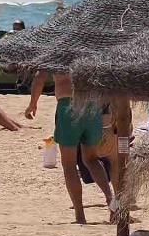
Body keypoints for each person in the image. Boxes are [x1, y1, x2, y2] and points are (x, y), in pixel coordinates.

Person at [25, 70, 117, 224]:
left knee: (69, 165)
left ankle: (80, 216)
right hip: (91, 105)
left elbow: (39, 76)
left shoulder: (58, 51)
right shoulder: (87, 48)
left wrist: (32, 104)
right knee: (92, 159)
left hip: (68, 105)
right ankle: (111, 203)